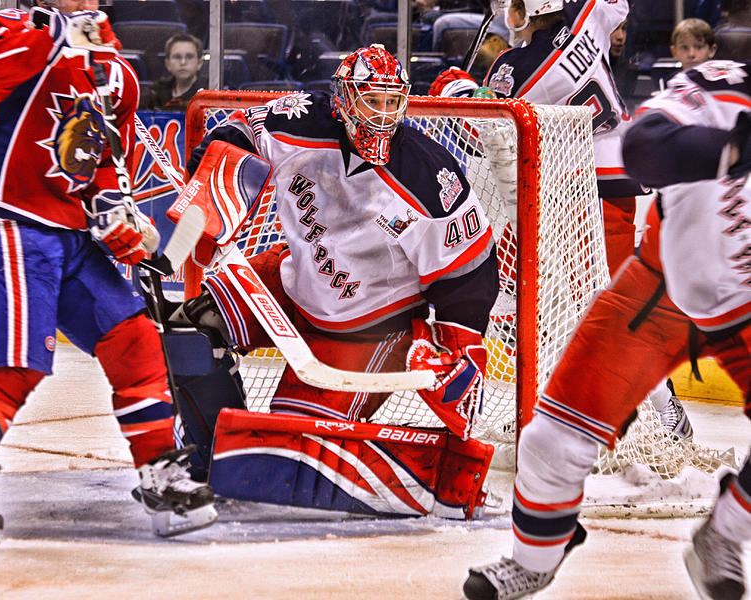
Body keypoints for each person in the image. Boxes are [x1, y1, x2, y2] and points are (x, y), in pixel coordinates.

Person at [0, 0, 217, 548]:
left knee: (136, 342)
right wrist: (54, 32)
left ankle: (161, 478)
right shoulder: (15, 27)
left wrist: (115, 216)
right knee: (13, 368)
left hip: (71, 234)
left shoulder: (113, 66)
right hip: (9, 223)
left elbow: (100, 154)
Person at [462, 58, 751, 600]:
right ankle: (535, 557)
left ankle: (724, 537)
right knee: (550, 441)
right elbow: (645, 147)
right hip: (658, 295)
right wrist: (732, 151)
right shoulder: (720, 85)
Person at [173, 44, 500, 518]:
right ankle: (206, 460)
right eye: (373, 100)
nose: (384, 114)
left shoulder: (430, 176)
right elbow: (238, 130)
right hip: (294, 279)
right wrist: (215, 183)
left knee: (285, 447)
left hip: (372, 329)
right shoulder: (301, 119)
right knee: (188, 332)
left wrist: (459, 344)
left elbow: (468, 274)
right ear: (344, 99)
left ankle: (252, 445)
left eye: (393, 102)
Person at [484, 0, 693, 440]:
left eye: (517, 4)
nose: (509, 10)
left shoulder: (513, 63)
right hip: (617, 171)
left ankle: (655, 403)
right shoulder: (587, 20)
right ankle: (643, 405)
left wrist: (461, 90)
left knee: (566, 304)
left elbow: (490, 118)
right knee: (593, 302)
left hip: (567, 182)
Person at [143, 33, 204, 111]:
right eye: (177, 57)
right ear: (167, 64)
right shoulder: (154, 92)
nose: (183, 62)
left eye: (189, 57)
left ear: (199, 63)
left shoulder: (208, 92)